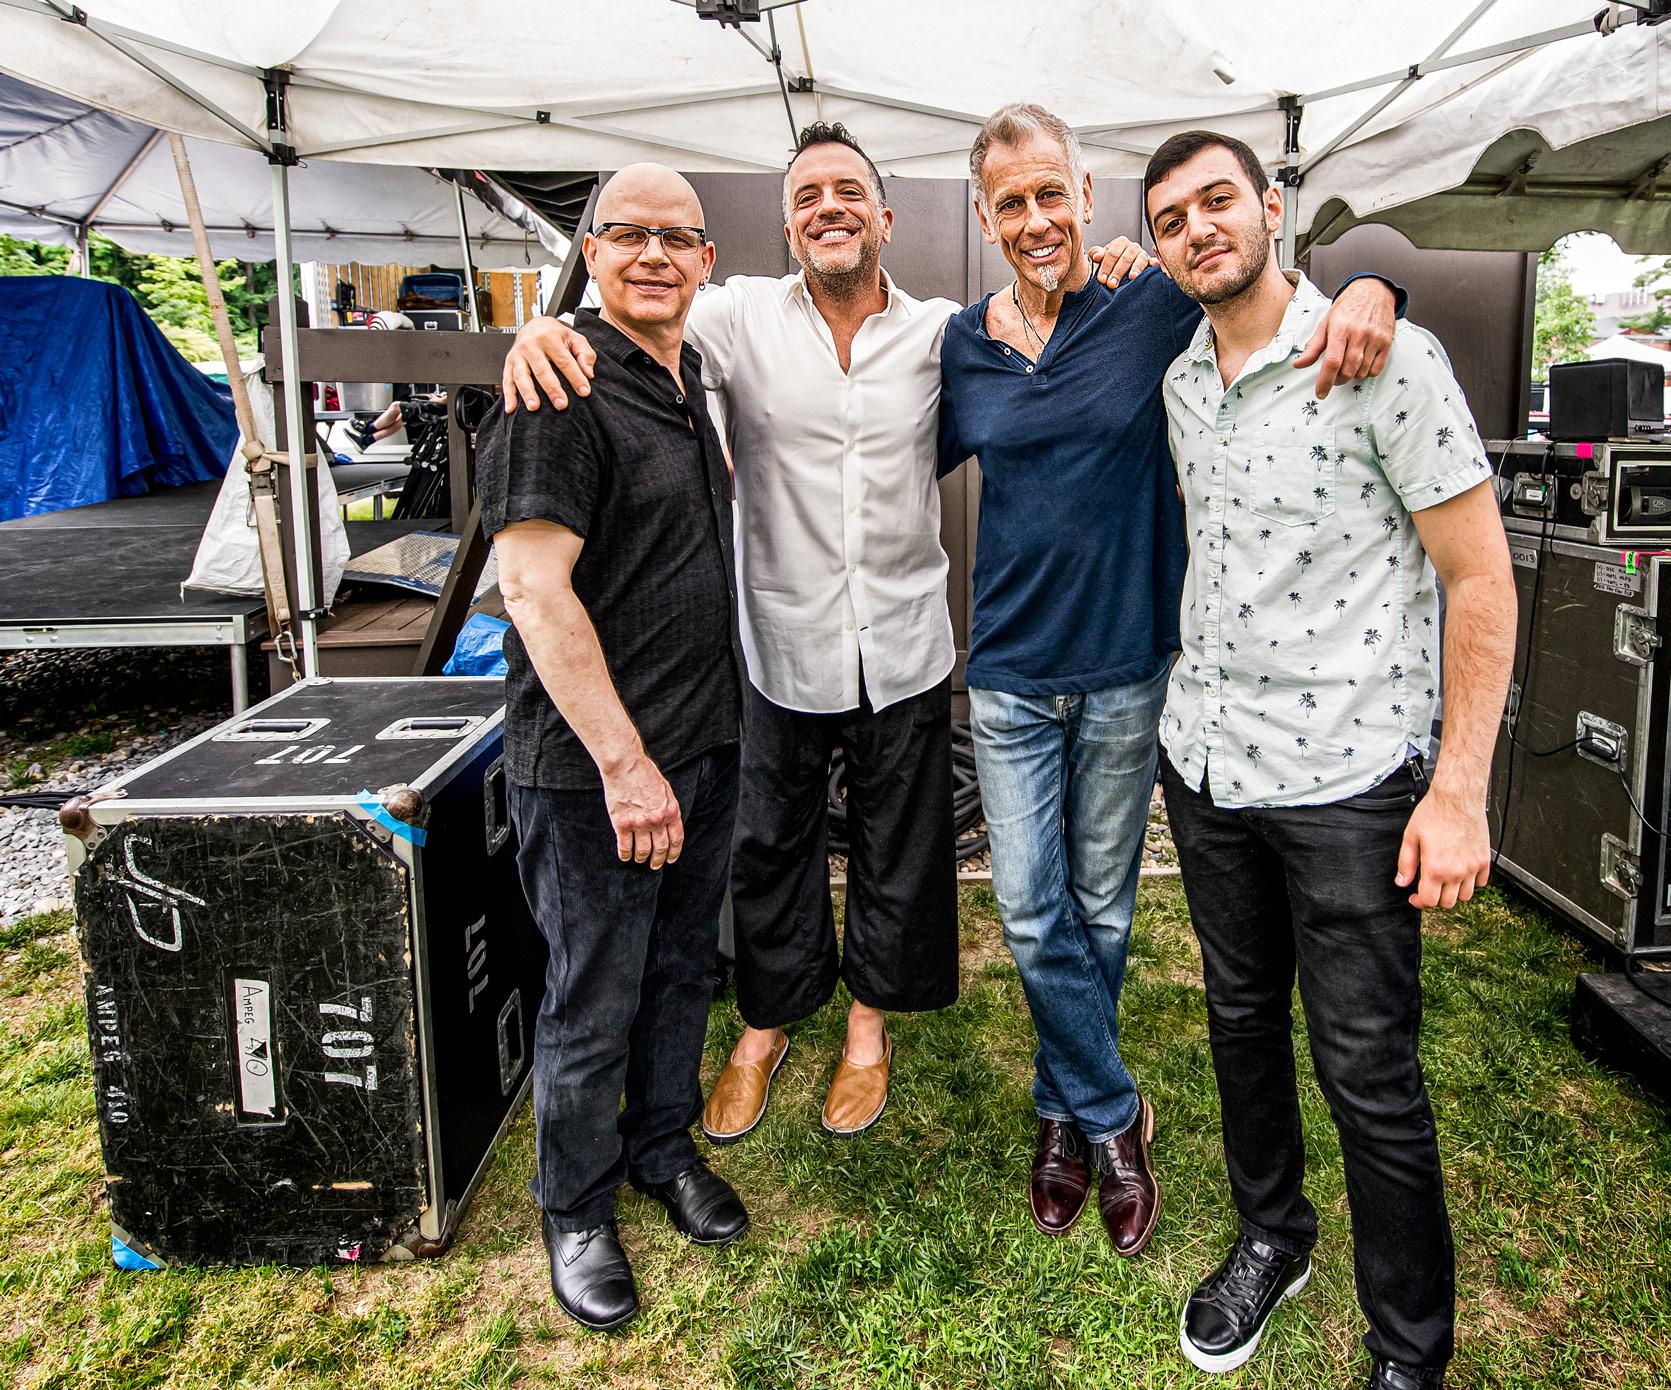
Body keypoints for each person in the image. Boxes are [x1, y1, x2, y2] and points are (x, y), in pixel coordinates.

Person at [939, 102, 1401, 1260]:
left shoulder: (1147, 304)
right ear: (985, 217)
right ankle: (1112, 1111)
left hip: (1126, 664)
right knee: (1029, 909)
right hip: (1004, 672)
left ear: (1083, 198)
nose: (1035, 218)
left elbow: (1265, 286)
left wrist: (1373, 287)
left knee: (1098, 911)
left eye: (1052, 193)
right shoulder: (961, 341)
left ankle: (1059, 1116)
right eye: (1011, 202)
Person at [502, 125, 973, 1147]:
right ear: (786, 226)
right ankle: (763, 1028)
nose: (828, 207)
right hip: (776, 640)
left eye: (849, 190)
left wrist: (1110, 263)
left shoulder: (941, 333)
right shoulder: (736, 315)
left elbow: (1039, 327)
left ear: (884, 218)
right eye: (807, 195)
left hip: (901, 637)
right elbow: (633, 301)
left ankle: (864, 1029)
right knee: (771, 848)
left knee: (899, 846)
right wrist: (537, 332)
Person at [1141, 130, 1514, 1389]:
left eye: (1217, 202)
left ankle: (1408, 1355)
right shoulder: (1180, 379)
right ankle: (1270, 1237)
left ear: (1272, 206)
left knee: (1368, 1073)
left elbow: (1479, 579)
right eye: (1170, 217)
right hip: (1205, 765)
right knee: (1239, 1023)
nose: (1198, 229)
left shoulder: (1387, 360)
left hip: (1349, 784)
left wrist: (1456, 789)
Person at [478, 163, 750, 1333]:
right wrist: (626, 765)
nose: (651, 254)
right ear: (589, 252)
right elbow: (533, 590)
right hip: (596, 769)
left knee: (685, 967)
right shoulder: (558, 386)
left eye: (675, 238)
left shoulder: (685, 378)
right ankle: (573, 1204)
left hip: (705, 744)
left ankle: (657, 1147)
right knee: (593, 991)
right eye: (624, 234)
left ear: (703, 262)